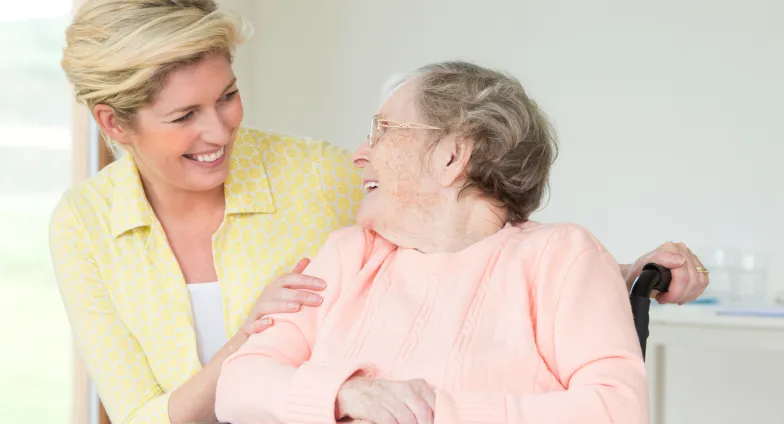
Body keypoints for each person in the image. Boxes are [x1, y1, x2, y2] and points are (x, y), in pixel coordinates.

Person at [49, 1, 709, 423]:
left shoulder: (323, 181)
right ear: (115, 123)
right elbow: (186, 400)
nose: (220, 130)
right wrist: (336, 392)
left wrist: (619, 275)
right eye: (184, 115)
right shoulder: (84, 224)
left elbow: (478, 234)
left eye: (228, 97)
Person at [214, 61, 652, 424]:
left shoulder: (561, 257)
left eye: (381, 130)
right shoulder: (348, 253)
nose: (359, 154)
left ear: (452, 155)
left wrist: (433, 411)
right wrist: (346, 394)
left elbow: (617, 408)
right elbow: (237, 386)